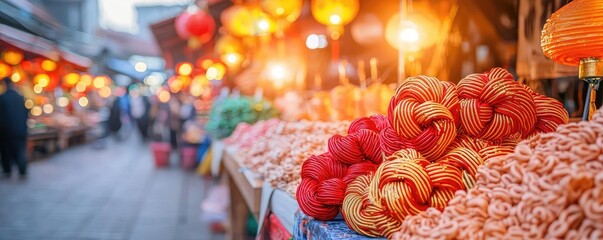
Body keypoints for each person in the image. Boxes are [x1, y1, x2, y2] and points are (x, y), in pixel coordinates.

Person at [0, 77, 28, 178]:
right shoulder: (20, 97)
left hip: (7, 130)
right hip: (21, 129)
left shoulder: (2, 98)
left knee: (6, 151)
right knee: (21, 150)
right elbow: (26, 113)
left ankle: (7, 169)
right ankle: (22, 170)